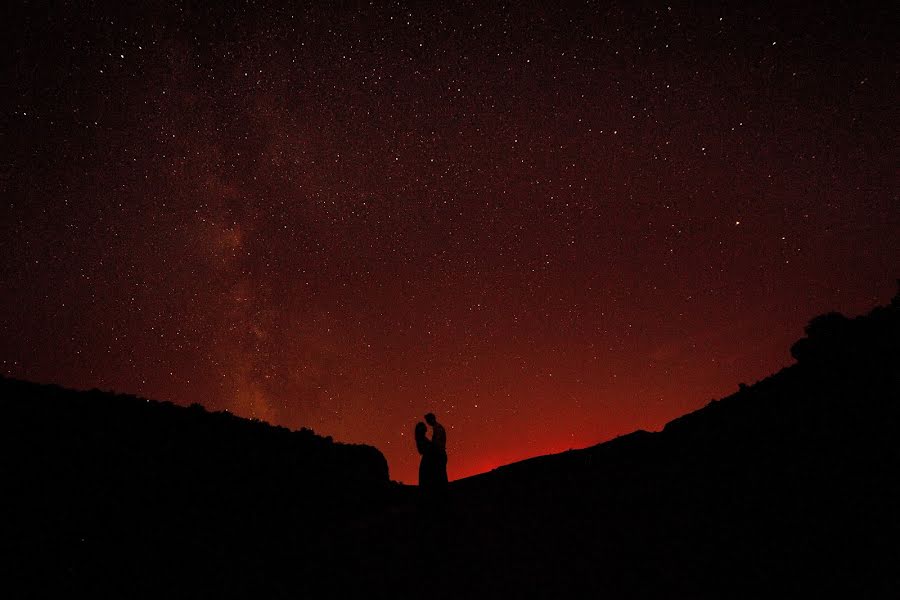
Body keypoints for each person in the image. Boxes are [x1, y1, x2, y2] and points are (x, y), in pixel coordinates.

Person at [424, 412, 448, 488]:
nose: (427, 423)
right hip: (440, 454)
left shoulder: (437, 428)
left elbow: (437, 444)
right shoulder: (437, 428)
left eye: (428, 420)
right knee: (441, 475)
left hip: (440, 455)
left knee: (441, 476)